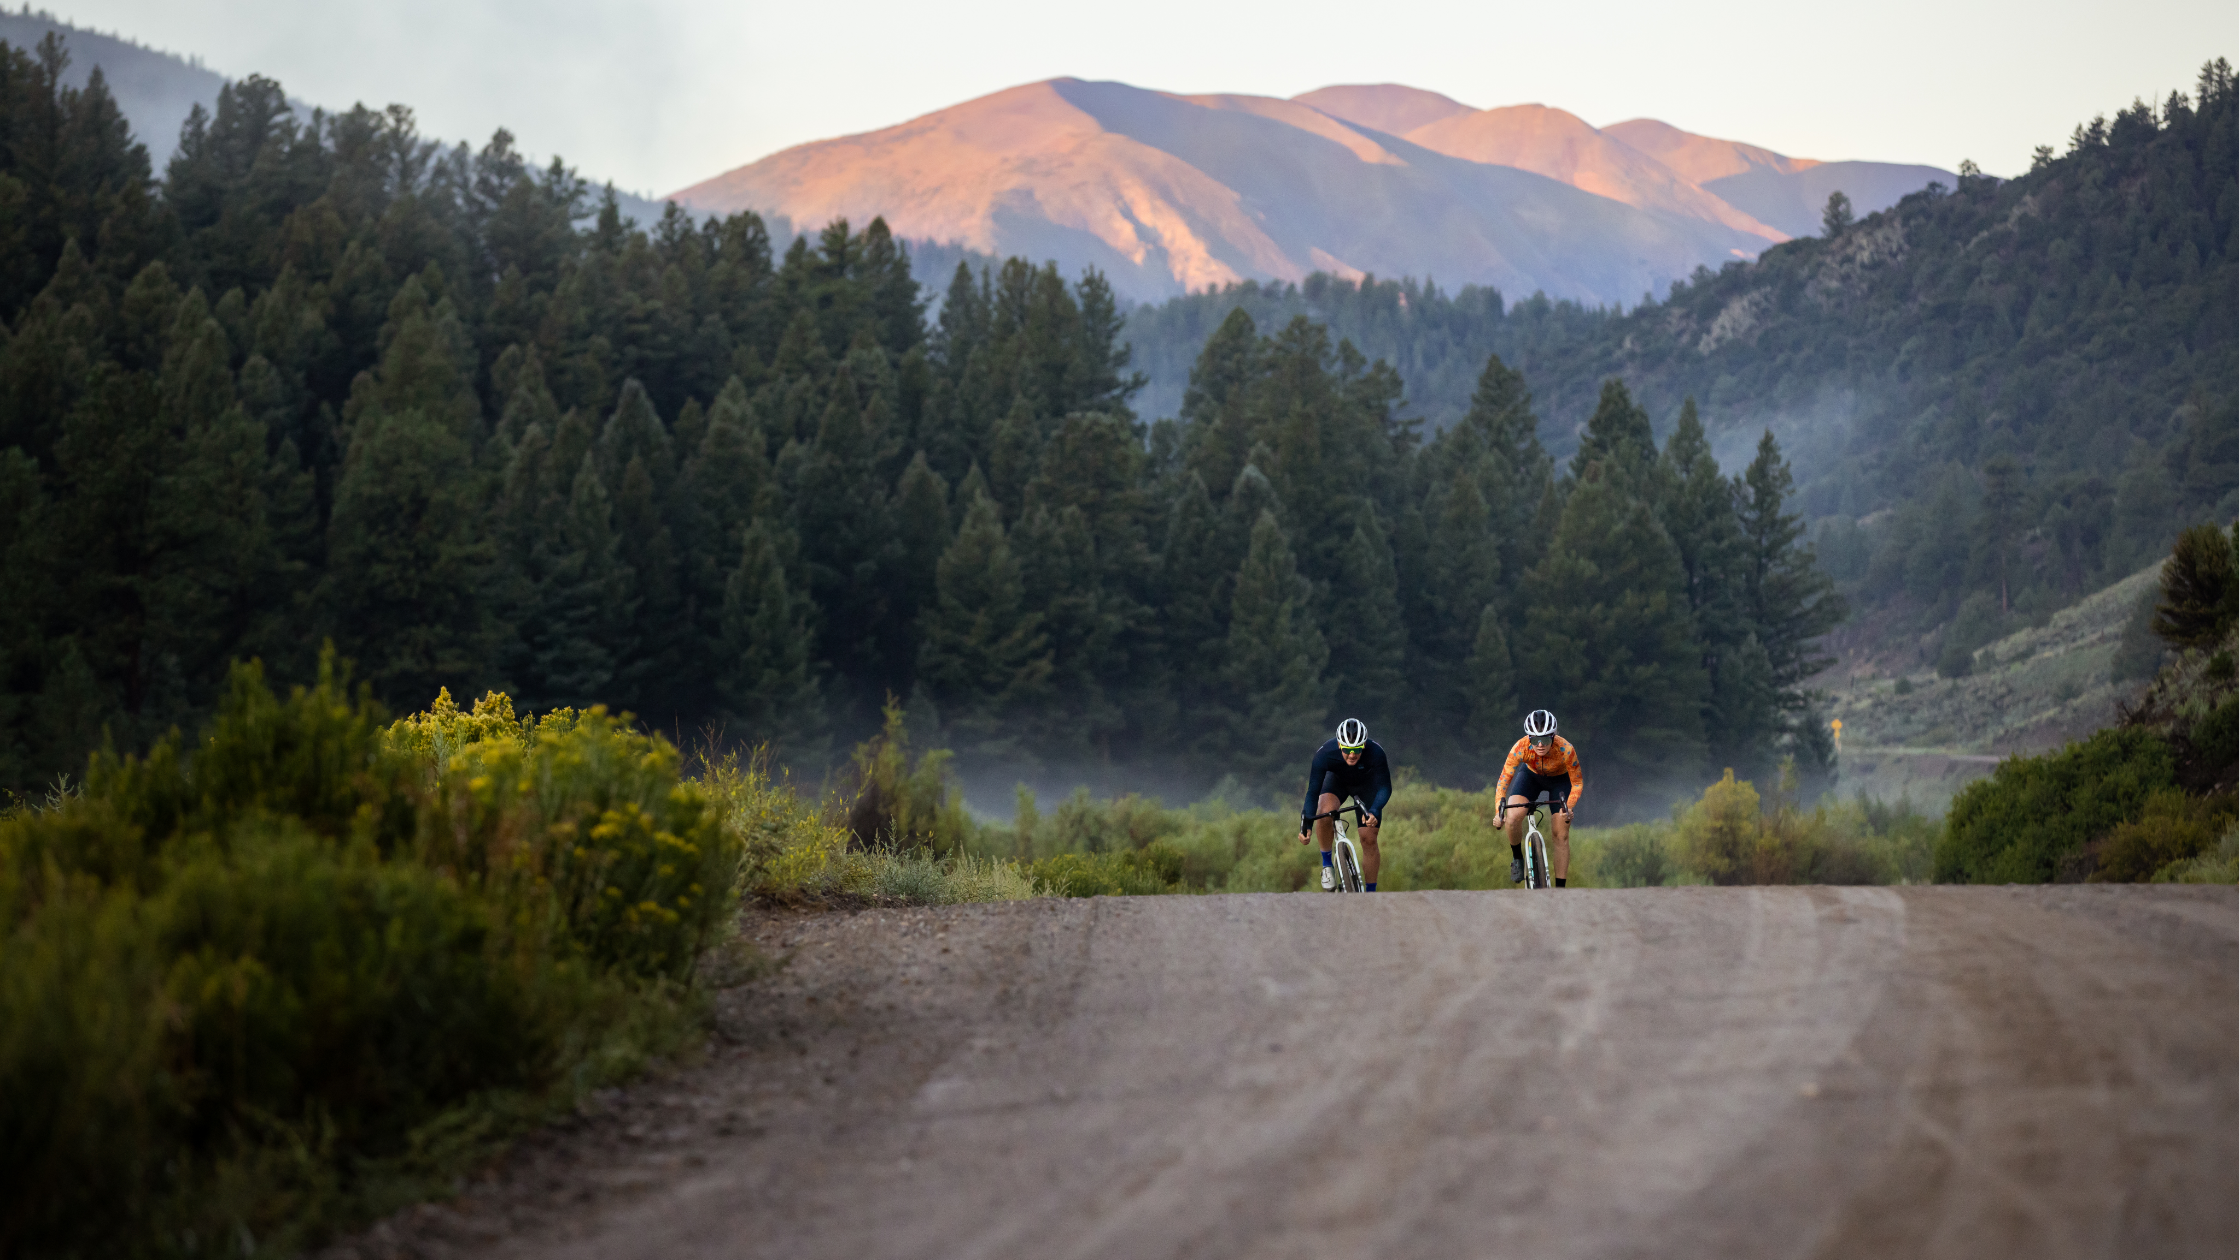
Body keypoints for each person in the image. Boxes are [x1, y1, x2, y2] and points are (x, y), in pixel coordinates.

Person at [1297, 718, 1393, 890]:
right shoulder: (1325, 754)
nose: (1352, 754)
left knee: (1369, 839)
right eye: (1347, 749)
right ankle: (1327, 866)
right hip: (1337, 782)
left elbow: (1385, 787)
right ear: (1340, 745)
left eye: (1357, 749)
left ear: (1363, 745)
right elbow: (1313, 792)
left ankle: (1371, 894)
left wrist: (1375, 810)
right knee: (1325, 811)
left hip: (1366, 786)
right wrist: (1306, 826)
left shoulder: (1376, 752)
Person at [1496, 709, 1582, 887]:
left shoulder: (1566, 749)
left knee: (1561, 834)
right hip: (1530, 777)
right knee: (1512, 817)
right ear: (1529, 738)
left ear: (1554, 736)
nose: (1540, 744)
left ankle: (1560, 889)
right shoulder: (1520, 748)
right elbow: (1504, 780)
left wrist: (1569, 807)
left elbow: (1577, 783)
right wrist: (1499, 811)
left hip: (1560, 781)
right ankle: (1517, 858)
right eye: (1535, 740)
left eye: (1545, 739)